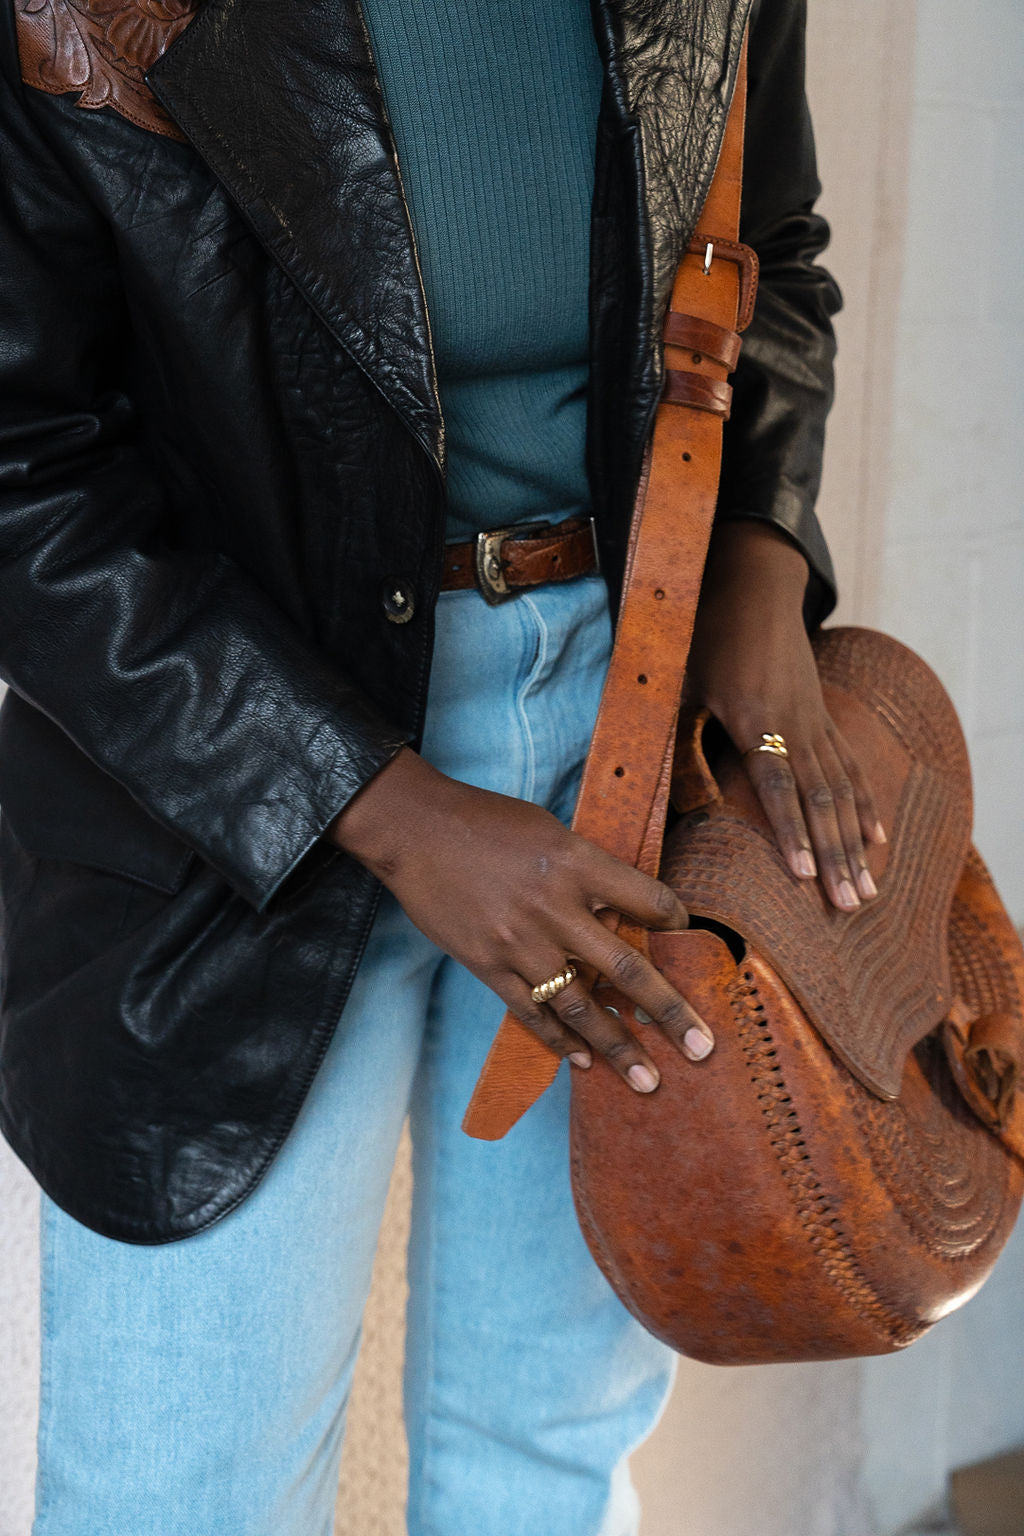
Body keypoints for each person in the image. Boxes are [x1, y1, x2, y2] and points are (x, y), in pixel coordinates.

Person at [0, 0, 884, 1530]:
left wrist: (752, 553)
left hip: (632, 720)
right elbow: (24, 473)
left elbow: (769, 251)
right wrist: (385, 808)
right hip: (227, 784)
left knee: (544, 1457)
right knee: (179, 1495)